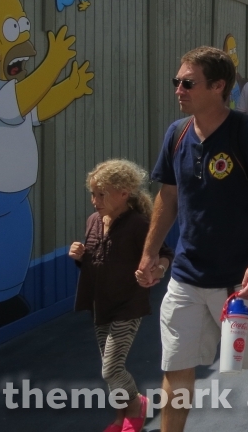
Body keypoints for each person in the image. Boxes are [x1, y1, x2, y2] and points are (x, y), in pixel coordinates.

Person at [138, 46, 248, 432]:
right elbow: (168, 197)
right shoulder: (177, 134)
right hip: (186, 278)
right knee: (176, 365)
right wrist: (149, 251)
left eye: (188, 82)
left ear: (218, 86)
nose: (178, 89)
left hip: (240, 281)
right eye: (177, 81)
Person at [71, 160, 172, 432]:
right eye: (92, 194)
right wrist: (80, 257)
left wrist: (157, 271)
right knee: (110, 368)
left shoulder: (139, 225)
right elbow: (96, 261)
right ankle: (120, 418)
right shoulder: (94, 221)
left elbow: (164, 253)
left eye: (101, 194)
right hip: (100, 304)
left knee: (111, 369)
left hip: (128, 305)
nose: (95, 200)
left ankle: (137, 405)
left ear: (124, 192)